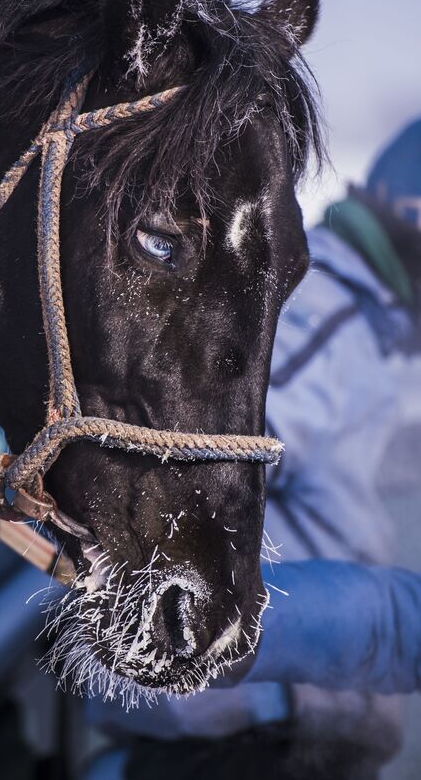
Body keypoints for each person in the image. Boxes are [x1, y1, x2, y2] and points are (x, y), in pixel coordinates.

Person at [83, 119, 421, 780]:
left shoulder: (385, 332)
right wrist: (204, 629)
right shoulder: (323, 313)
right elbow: (180, 477)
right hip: (239, 745)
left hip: (308, 741)